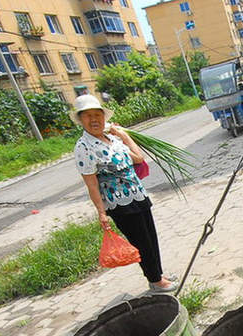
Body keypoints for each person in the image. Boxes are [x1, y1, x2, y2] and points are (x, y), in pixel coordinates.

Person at [72, 94, 177, 293]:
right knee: (142, 242)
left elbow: (138, 158)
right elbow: (92, 184)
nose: (94, 119)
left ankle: (158, 274)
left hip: (137, 195)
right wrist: (101, 213)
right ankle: (155, 281)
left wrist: (124, 136)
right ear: (80, 120)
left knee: (151, 238)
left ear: (104, 117)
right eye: (88, 116)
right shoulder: (83, 147)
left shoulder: (112, 139)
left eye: (97, 114)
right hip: (119, 203)